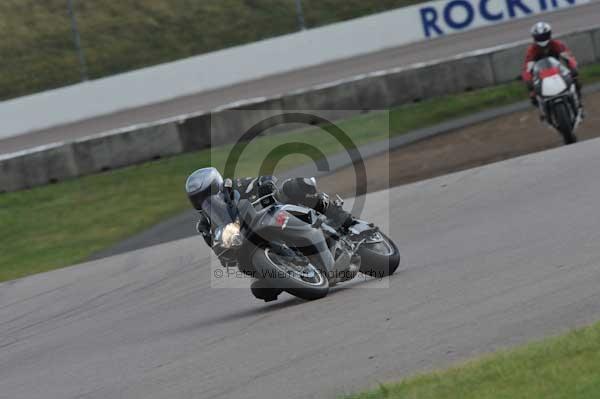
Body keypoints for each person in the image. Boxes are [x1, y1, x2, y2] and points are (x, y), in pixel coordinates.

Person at [186, 168, 354, 248]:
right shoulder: (205, 225)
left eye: (207, 193)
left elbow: (264, 179)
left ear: (217, 185)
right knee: (262, 290)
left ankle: (341, 217)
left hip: (275, 213)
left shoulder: (234, 187)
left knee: (292, 187)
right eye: (198, 198)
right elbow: (218, 248)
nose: (204, 200)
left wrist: (266, 184)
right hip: (253, 239)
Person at [522, 22, 581, 108]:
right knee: (533, 96)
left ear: (549, 34)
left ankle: (578, 103)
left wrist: (573, 68)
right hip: (541, 75)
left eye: (544, 36)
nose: (542, 39)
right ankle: (543, 112)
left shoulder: (557, 44)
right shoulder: (532, 50)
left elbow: (569, 57)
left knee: (575, 82)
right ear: (535, 38)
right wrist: (528, 81)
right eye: (539, 37)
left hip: (557, 71)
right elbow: (527, 67)